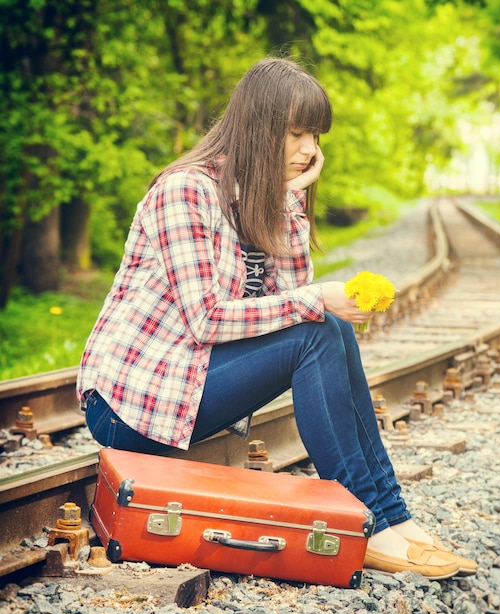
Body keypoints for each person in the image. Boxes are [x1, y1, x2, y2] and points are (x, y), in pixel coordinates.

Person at [77, 56, 476, 580]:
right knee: (318, 327)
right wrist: (319, 300)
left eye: (315, 135)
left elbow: (288, 299)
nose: (312, 149)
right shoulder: (186, 191)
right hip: (133, 405)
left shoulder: (260, 197)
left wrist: (291, 203)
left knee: (323, 327)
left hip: (191, 386)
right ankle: (367, 522)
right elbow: (208, 320)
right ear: (260, 129)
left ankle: (392, 516)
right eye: (298, 133)